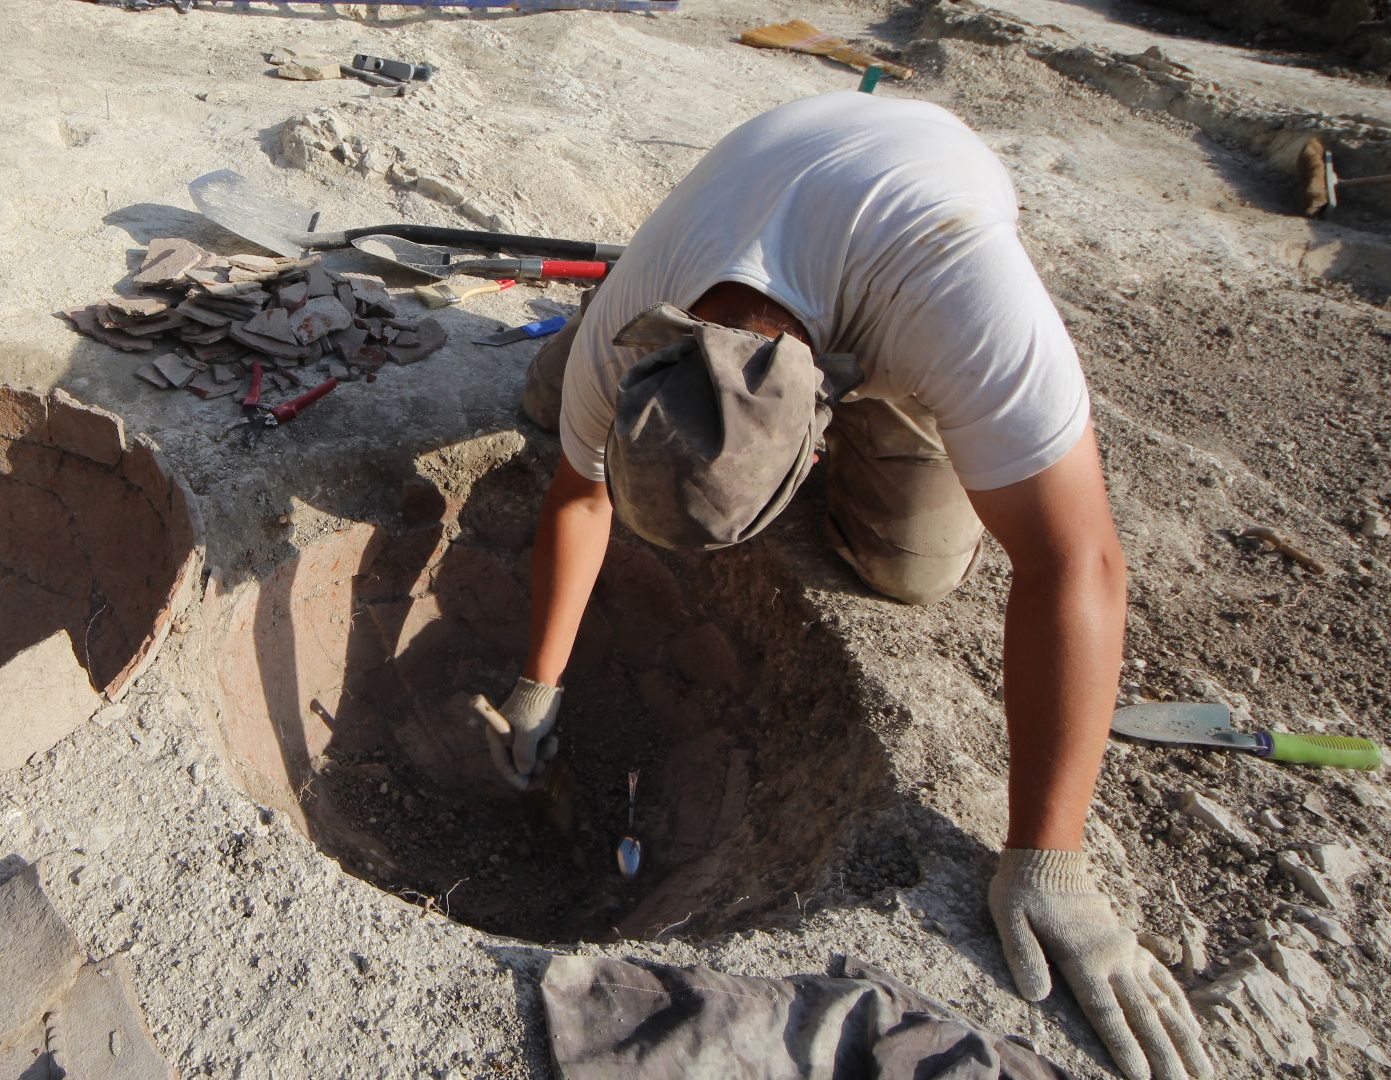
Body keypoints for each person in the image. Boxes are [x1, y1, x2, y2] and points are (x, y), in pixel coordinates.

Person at [474, 92, 1214, 1080]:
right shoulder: (629, 323)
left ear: (813, 437)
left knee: (910, 570)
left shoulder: (964, 304)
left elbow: (1076, 562)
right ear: (658, 349)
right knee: (551, 401)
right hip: (761, 182)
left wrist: (1049, 856)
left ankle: (874, 430)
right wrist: (540, 686)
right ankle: (566, 363)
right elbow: (578, 498)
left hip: (909, 221)